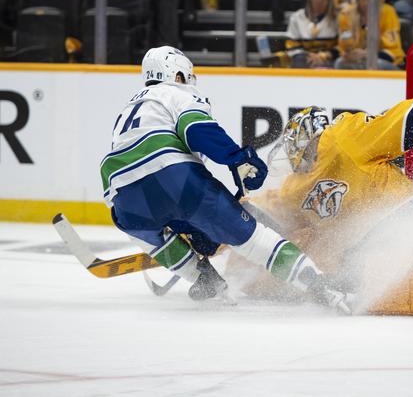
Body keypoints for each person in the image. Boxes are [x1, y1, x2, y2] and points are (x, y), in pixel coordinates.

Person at [238, 52, 413, 297]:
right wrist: (220, 228)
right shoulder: (295, 188)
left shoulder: (343, 136)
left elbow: (400, 123)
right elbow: (270, 215)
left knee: (343, 279)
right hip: (373, 241)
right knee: (328, 277)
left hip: (409, 220)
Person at [101, 46, 352, 311]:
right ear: (176, 74)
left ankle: (202, 277)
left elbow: (141, 171)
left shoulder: (132, 106)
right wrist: (238, 158)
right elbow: (197, 131)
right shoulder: (177, 93)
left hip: (119, 190)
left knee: (148, 234)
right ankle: (318, 285)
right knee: (254, 241)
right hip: (173, 175)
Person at [335, 0, 404, 70]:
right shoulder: (347, 13)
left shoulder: (387, 12)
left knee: (376, 64)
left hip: (386, 63)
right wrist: (348, 54)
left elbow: (393, 52)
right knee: (340, 63)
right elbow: (342, 47)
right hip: (358, 62)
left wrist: (367, 54)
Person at [284, 0, 338, 69]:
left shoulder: (339, 17)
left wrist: (323, 56)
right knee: (299, 60)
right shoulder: (296, 18)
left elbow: (343, 47)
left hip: (331, 65)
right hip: (306, 64)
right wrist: (310, 57)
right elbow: (292, 48)